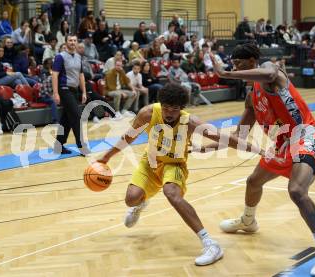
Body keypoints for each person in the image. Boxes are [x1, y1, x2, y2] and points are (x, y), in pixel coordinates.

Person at [97, 82, 263, 266]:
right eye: (166, 107)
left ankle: (210, 244)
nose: (169, 113)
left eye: (174, 109)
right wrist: (106, 157)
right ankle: (141, 202)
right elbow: (128, 137)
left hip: (174, 165)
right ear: (161, 104)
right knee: (131, 199)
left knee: (171, 194)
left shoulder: (190, 122)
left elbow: (226, 138)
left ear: (182, 108)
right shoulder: (148, 113)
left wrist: (258, 149)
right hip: (149, 162)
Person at [206, 44, 315, 277]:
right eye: (233, 63)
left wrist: (225, 73)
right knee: (253, 182)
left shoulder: (270, 72)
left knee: (296, 190)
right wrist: (206, 147)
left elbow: (268, 74)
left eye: (240, 63)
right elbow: (240, 135)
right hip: (282, 145)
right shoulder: (251, 97)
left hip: (306, 136)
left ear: (253, 60)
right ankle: (248, 221)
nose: (236, 66)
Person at [52, 34, 89, 156]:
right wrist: (56, 93)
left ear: (77, 42)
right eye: (70, 40)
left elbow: (81, 75)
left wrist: (83, 91)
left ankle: (59, 145)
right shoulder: (60, 57)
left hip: (74, 91)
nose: (72, 42)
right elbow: (55, 75)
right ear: (66, 42)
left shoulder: (79, 57)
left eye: (74, 40)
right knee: (77, 116)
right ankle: (82, 147)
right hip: (64, 89)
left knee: (66, 119)